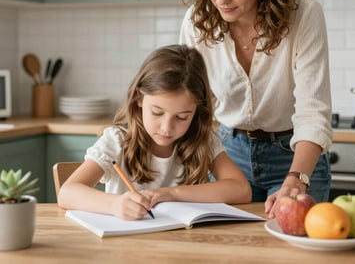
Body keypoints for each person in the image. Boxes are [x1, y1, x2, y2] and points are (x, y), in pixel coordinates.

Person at [179, 0, 332, 218]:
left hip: (293, 156)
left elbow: (312, 110)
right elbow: (190, 101)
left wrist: (297, 178)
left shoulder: (303, 16)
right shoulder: (197, 22)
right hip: (227, 156)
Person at [57, 44, 251, 220]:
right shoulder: (117, 140)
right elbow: (67, 193)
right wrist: (114, 205)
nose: (167, 127)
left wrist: (172, 193)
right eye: (157, 112)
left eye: (182, 117)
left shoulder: (203, 140)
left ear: (197, 111)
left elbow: (241, 189)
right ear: (139, 99)